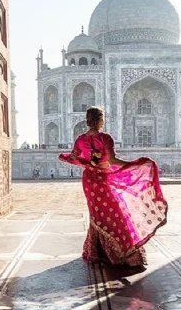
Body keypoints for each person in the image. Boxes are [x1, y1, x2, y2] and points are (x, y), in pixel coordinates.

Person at [59, 106, 168, 269]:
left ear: (88, 120)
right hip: (102, 178)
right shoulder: (105, 138)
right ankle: (122, 251)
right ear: (101, 120)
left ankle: (98, 251)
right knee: (114, 212)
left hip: (89, 180)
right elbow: (112, 161)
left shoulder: (80, 139)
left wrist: (86, 164)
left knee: (98, 215)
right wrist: (134, 164)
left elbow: (74, 157)